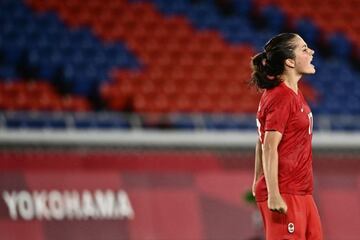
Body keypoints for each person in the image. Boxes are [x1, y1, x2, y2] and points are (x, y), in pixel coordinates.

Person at [250, 33, 323, 240]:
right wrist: (272, 193)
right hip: (285, 191)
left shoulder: (294, 94)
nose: (311, 52)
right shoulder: (281, 97)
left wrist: (257, 180)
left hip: (302, 192)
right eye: (304, 49)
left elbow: (261, 140)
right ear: (289, 61)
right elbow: (269, 146)